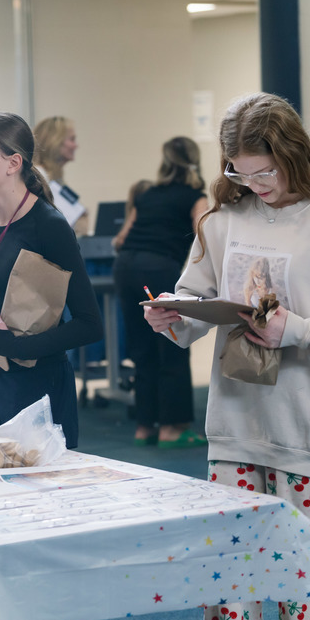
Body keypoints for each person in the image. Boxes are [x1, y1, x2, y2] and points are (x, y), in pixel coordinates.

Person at [145, 93, 310, 620]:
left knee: (300, 583)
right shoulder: (223, 219)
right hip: (236, 425)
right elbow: (194, 295)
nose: (254, 186)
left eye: (264, 173)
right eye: (240, 174)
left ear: (293, 156)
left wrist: (296, 330)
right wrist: (176, 318)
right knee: (230, 581)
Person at [0, 112, 103, 450]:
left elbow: (90, 325)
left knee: (41, 495)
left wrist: (15, 347)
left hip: (39, 387)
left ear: (13, 163)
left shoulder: (48, 226)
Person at [111, 137, 208, 447]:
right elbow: (205, 237)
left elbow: (121, 238)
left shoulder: (147, 194)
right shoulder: (196, 196)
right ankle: (172, 429)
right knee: (173, 344)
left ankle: (145, 427)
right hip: (160, 270)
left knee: (141, 349)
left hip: (126, 270)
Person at [34, 115, 88, 235]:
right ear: (54, 141)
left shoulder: (55, 178)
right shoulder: (37, 177)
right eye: (72, 139)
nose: (76, 145)